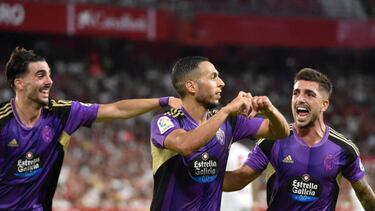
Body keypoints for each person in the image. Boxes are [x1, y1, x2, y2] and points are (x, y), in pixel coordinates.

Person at [0, 47, 181, 210]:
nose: (49, 81)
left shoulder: (62, 113)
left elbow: (116, 109)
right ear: (19, 83)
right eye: (40, 76)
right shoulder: (3, 121)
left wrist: (161, 101)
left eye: (49, 74)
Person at [223, 68, 375, 210]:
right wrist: (202, 176)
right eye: (296, 93)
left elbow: (365, 195)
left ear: (324, 105)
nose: (300, 99)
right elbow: (239, 179)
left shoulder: (344, 149)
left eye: (309, 94)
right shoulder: (272, 139)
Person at [149, 56, 289, 210]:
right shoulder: (165, 121)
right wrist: (227, 110)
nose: (221, 83)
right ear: (191, 86)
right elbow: (185, 145)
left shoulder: (229, 123)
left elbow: (281, 132)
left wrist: (270, 110)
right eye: (213, 77)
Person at [220, 142, 255, 211]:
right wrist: (254, 199)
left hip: (229, 203)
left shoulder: (222, 151)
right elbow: (252, 177)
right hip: (246, 201)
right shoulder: (245, 150)